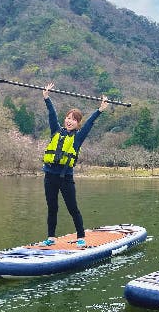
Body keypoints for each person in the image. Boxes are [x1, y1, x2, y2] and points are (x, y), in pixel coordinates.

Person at [40, 83, 108, 248]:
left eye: (74, 119)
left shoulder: (78, 137)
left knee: (73, 208)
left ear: (78, 124)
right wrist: (47, 98)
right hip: (49, 176)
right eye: (68, 118)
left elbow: (89, 124)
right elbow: (51, 115)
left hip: (65, 177)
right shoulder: (56, 131)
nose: (70, 121)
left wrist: (100, 110)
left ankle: (81, 236)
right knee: (52, 207)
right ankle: (51, 237)